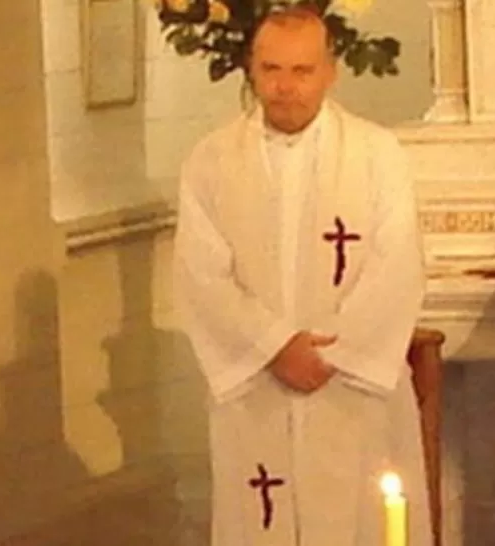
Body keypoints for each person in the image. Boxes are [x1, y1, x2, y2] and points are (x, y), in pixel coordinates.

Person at [172, 6, 431, 546]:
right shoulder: (211, 163)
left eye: (301, 71)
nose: (285, 87)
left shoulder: (376, 155)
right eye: (271, 70)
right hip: (258, 388)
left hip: (352, 392)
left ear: (330, 71)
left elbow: (397, 267)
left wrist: (328, 356)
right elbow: (202, 278)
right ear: (250, 68)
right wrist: (274, 346)